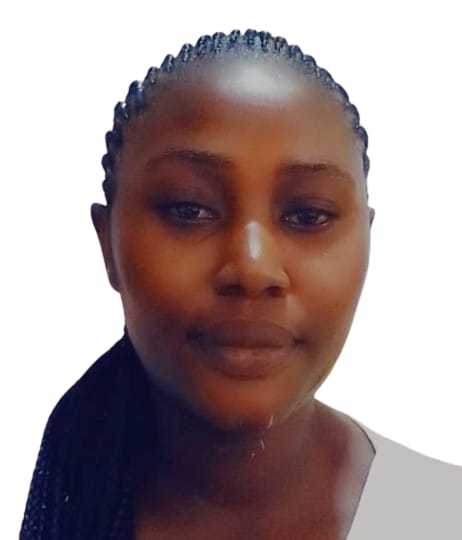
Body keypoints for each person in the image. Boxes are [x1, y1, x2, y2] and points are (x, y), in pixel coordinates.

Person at [20, 29, 461, 540]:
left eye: (307, 215)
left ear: (367, 238)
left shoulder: (442, 516)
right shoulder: (66, 506)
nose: (253, 268)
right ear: (107, 244)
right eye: (189, 210)